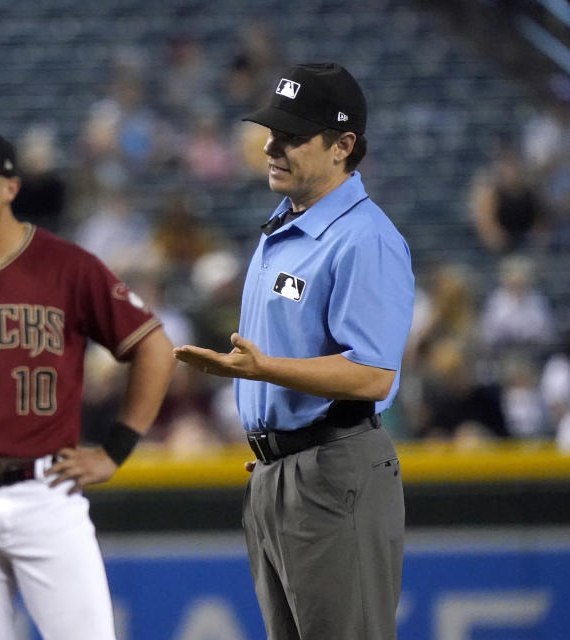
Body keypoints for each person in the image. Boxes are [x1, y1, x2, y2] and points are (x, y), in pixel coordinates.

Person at [174, 63, 414, 640]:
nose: (270, 145)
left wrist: (264, 370)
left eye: (292, 135)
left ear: (343, 145)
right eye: (270, 129)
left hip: (334, 467)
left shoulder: (365, 237)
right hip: (274, 471)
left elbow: (374, 373)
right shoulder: (286, 223)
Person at [0, 126, 176, 640]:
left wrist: (115, 449)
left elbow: (153, 348)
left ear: (11, 187)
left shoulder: (67, 266)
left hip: (46, 487)